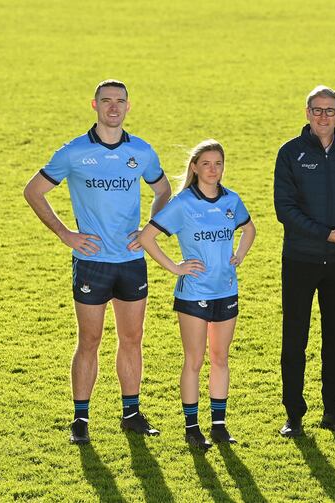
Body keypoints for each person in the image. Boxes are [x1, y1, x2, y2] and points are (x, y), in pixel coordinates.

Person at [23, 80, 171, 444]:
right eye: (107, 101)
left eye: (120, 101)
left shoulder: (141, 151)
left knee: (132, 338)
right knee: (89, 340)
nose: (114, 107)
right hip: (92, 262)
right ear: (95, 105)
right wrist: (65, 233)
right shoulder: (73, 152)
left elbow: (163, 189)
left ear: (128, 106)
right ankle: (80, 419)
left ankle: (131, 414)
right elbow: (34, 191)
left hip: (131, 260)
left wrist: (150, 229)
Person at [137, 139, 256, 450]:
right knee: (194, 360)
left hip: (226, 290)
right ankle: (192, 428)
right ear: (194, 167)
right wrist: (175, 267)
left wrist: (240, 255)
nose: (213, 169)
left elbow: (249, 229)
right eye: (206, 164)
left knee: (220, 358)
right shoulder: (183, 203)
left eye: (218, 163)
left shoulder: (232, 200)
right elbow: (147, 237)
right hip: (194, 293)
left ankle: (219, 426)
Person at [273, 85, 335, 437]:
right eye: (317, 109)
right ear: (307, 112)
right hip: (299, 260)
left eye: (330, 110)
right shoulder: (290, 153)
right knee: (294, 339)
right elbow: (285, 210)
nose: (323, 116)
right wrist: (328, 234)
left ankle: (334, 411)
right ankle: (294, 415)